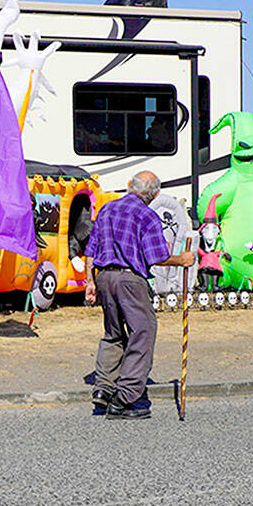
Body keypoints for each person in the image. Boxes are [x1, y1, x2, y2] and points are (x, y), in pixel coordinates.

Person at [85, 171, 196, 419]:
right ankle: (126, 398)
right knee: (142, 333)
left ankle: (103, 389)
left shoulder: (107, 209)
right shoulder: (147, 215)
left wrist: (90, 281)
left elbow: (91, 247)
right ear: (155, 194)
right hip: (129, 280)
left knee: (113, 333)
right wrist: (184, 260)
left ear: (129, 186)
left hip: (104, 276)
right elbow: (158, 256)